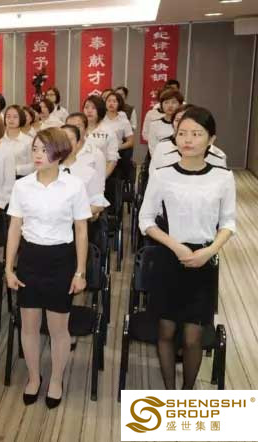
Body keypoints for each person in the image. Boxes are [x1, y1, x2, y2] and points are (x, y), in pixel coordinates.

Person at [138, 106, 235, 390]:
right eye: (182, 133)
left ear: (211, 139)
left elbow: (228, 223)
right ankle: (170, 393)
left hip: (204, 260)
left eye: (196, 133)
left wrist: (210, 251)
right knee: (166, 331)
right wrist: (175, 246)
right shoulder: (162, 174)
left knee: (193, 337)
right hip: (168, 257)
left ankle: (186, 393)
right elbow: (146, 220)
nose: (188, 139)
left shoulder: (223, 177)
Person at [5, 127, 91, 407]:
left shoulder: (74, 186)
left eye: (45, 150)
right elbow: (15, 227)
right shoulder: (22, 186)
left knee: (58, 328)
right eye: (35, 149)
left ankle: (56, 379)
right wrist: (8, 268)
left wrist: (80, 272)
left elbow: (81, 230)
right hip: (30, 258)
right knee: (29, 326)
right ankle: (33, 377)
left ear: (60, 152)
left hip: (61, 259)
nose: (38, 155)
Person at [150, 104, 227, 174]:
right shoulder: (162, 148)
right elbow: (153, 175)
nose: (182, 123)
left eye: (195, 134)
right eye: (177, 120)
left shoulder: (218, 157)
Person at [65, 112, 108, 189]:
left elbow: (100, 186)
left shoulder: (96, 154)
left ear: (86, 129)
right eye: (69, 127)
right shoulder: (58, 152)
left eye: (78, 126)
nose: (73, 130)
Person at [83, 95, 119, 177]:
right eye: (86, 107)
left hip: (100, 174)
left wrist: (102, 178)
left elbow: (112, 160)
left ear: (100, 110)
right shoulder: (78, 129)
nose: (89, 111)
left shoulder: (109, 131)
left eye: (93, 108)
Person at [102, 92, 135, 175]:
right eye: (109, 101)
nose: (111, 103)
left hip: (116, 150)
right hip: (101, 149)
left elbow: (130, 142)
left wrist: (118, 147)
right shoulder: (100, 118)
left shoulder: (124, 121)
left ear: (119, 104)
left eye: (114, 101)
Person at [147, 89, 184, 157]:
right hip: (159, 159)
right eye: (166, 102)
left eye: (174, 102)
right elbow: (152, 148)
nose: (170, 106)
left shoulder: (185, 124)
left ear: (180, 105)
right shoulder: (154, 125)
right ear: (161, 105)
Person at [3, 105, 34, 178]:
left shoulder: (29, 141)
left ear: (21, 118)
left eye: (15, 117)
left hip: (21, 178)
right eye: (8, 116)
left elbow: (33, 165)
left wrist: (16, 170)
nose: (11, 119)